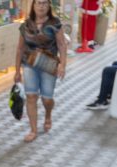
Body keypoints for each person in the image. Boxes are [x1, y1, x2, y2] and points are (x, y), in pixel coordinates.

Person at [14, 0, 68, 143]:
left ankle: (48, 114)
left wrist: (62, 65)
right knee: (31, 97)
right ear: (33, 5)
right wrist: (17, 71)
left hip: (49, 66)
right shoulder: (26, 25)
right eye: (38, 3)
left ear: (49, 6)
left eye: (44, 3)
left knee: (47, 99)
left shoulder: (55, 24)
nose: (41, 6)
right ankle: (33, 130)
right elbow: (20, 49)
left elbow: (62, 45)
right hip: (29, 65)